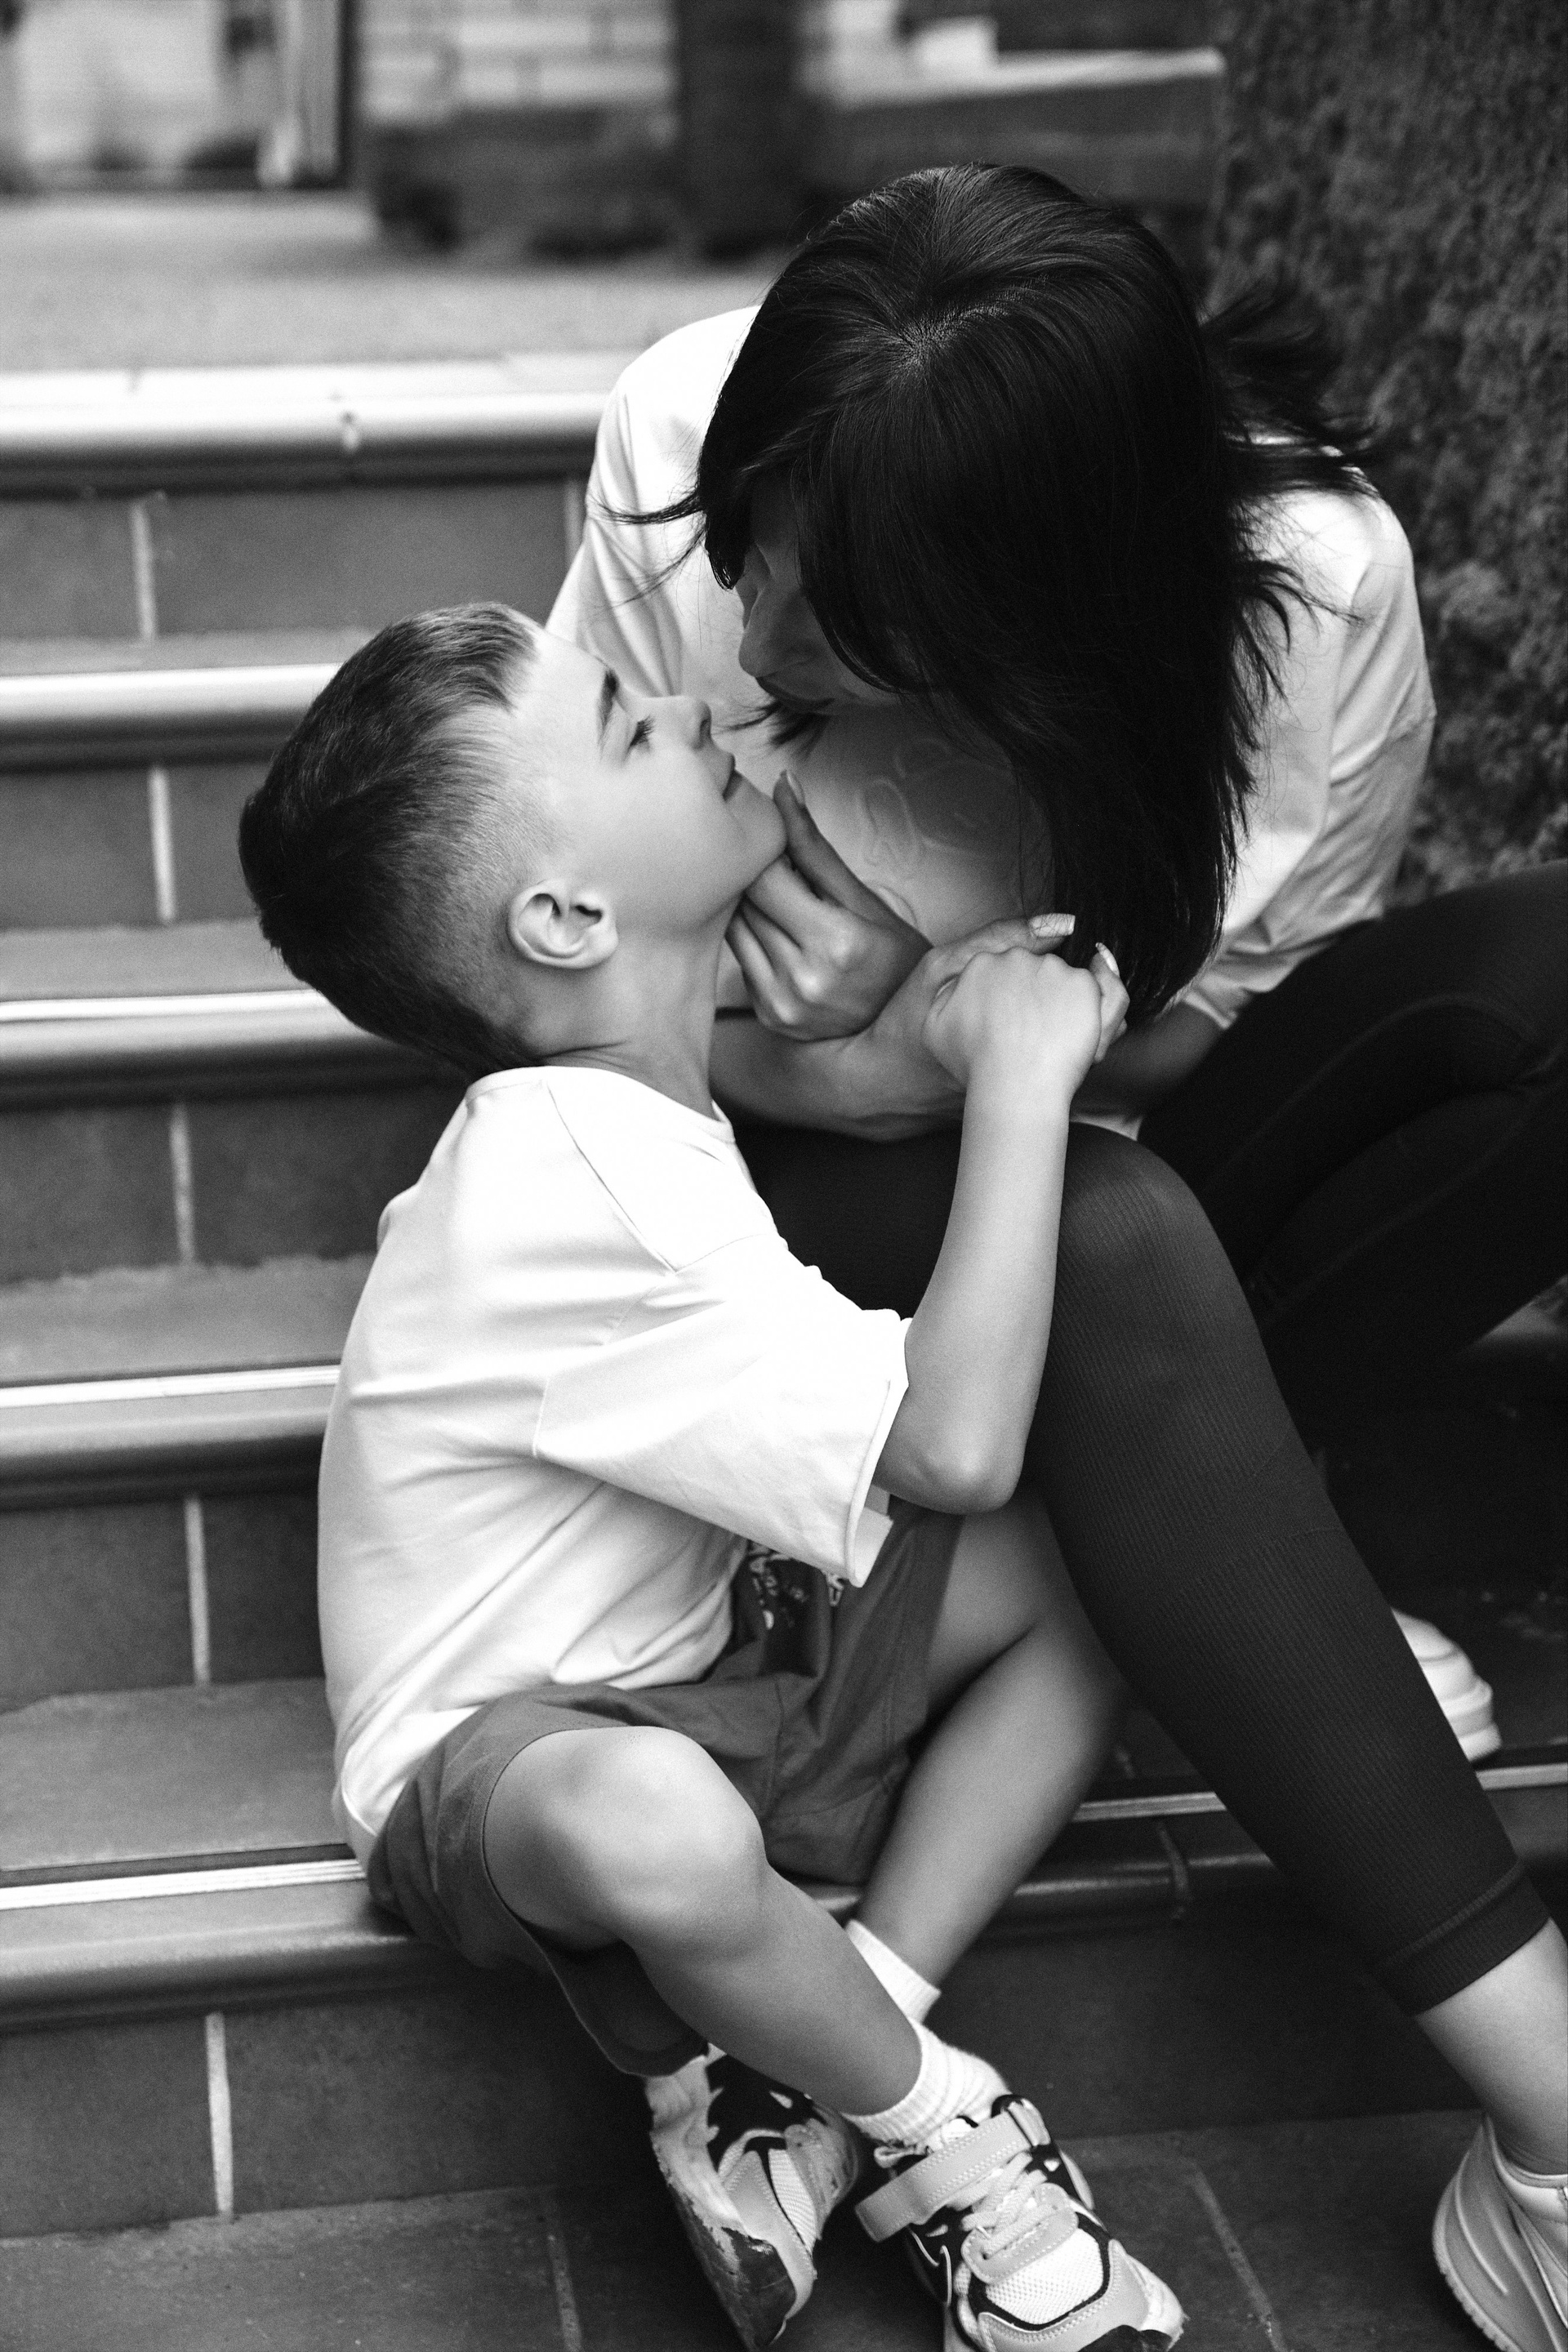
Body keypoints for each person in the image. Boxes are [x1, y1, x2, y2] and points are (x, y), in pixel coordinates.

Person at [548, 165, 1568, 2347]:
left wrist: (987, 1037)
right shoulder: (678, 437)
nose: (765, 634)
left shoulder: (1314, 591)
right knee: (1112, 1228)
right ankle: (1561, 2135)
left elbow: (1197, 1026)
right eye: (756, 561)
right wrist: (858, 1053)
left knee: (1529, 1008)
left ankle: (1218, 1558)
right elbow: (570, 999)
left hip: (1080, 1136)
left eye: (846, 619)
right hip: (771, 1179)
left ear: (1043, 600)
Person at [239, 603, 1195, 2352]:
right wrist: (1023, 1077)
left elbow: (941, 1457)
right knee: (653, 1818)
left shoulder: (646, 1118)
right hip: (501, 1761)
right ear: (567, 918)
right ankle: (946, 2135)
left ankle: (808, 2069)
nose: (694, 708)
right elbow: (953, 1444)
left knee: (1118, 1564)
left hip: (717, 1670)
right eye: (626, 723)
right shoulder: (570, 1178)